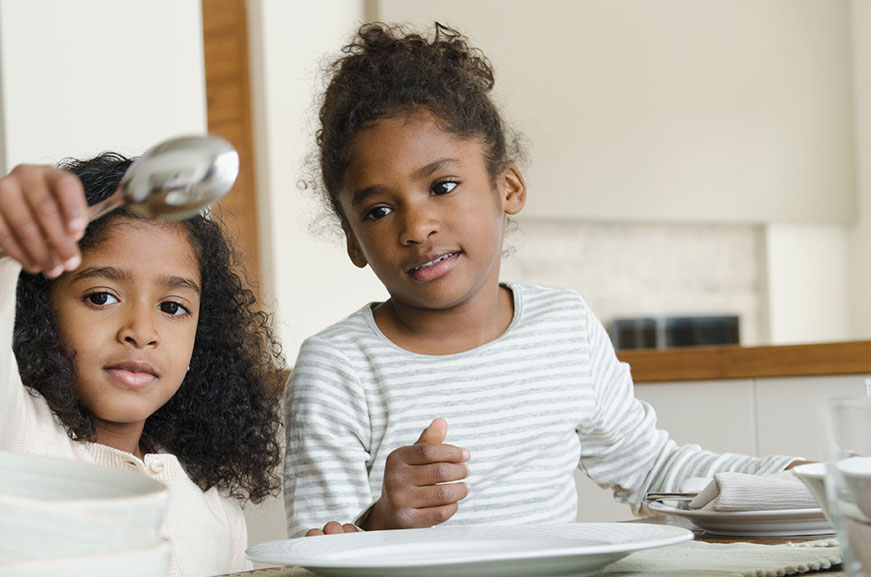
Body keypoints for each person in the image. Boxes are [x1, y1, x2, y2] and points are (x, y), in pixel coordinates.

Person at [284, 23, 800, 538]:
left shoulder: (566, 327)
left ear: (507, 188)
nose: (416, 227)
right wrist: (383, 521)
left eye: (442, 186)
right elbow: (318, 548)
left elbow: (652, 472)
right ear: (353, 239)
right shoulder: (337, 369)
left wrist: (794, 478)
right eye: (377, 210)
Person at [0, 152, 285, 577]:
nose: (141, 331)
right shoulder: (10, 442)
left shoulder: (215, 508)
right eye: (101, 297)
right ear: (39, 313)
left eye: (173, 307)